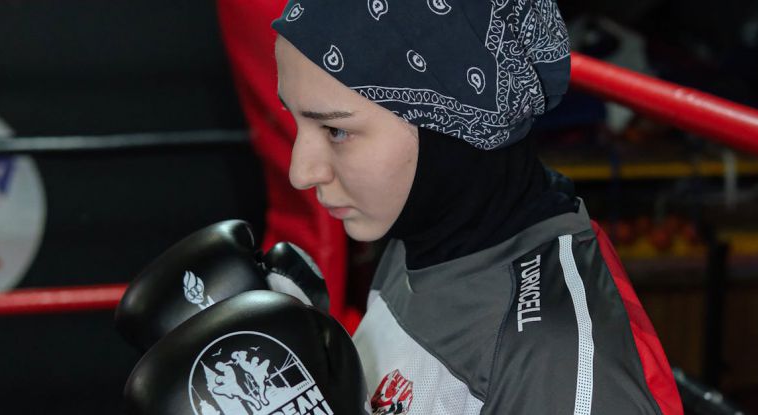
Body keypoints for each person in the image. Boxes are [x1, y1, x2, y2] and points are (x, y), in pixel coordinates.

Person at [272, 0, 684, 413]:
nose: (300, 172)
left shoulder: (556, 370)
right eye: (296, 120)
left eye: (336, 131)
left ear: (451, 119)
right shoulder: (423, 234)